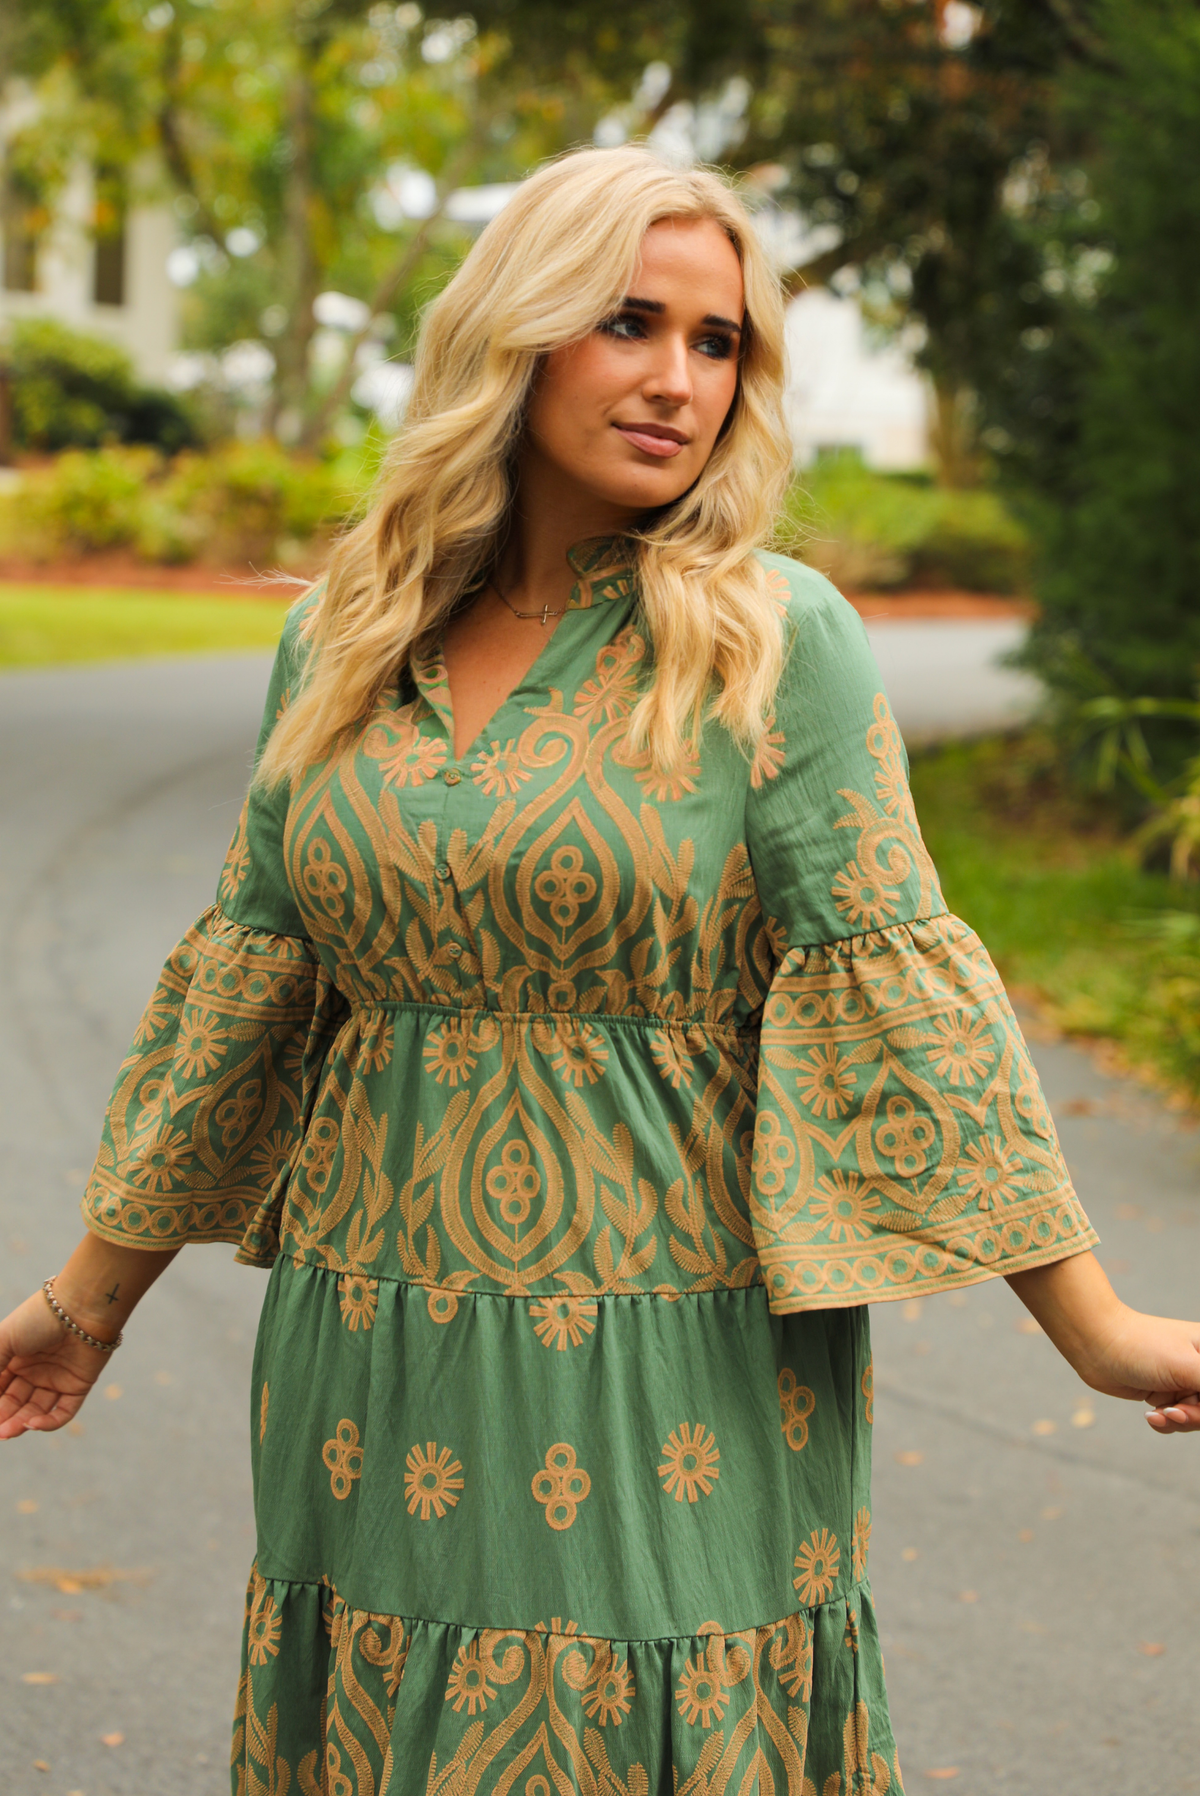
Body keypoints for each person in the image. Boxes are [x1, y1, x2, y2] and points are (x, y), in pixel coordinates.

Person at [2, 145, 1198, 1796]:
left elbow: (902, 1003)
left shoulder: (772, 641)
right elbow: (253, 989)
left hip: (667, 1341)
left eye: (719, 343)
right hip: (371, 1331)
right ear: (518, 328)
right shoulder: (345, 636)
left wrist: (1098, 1331)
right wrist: (85, 1307)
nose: (679, 382)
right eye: (630, 322)